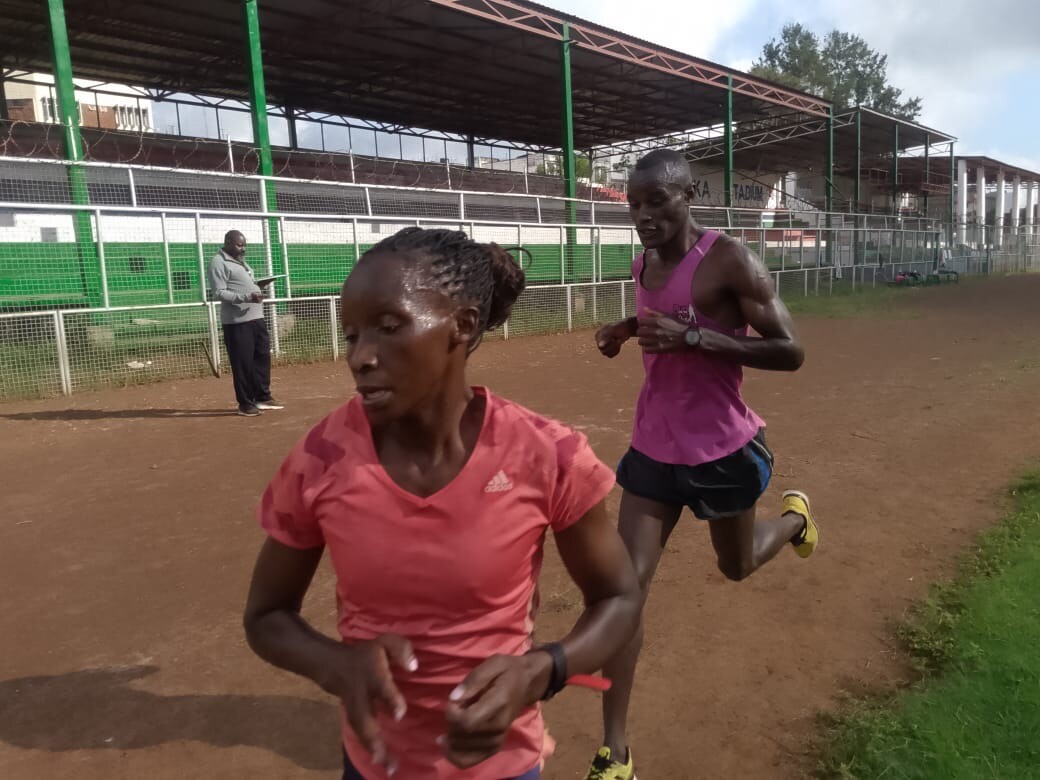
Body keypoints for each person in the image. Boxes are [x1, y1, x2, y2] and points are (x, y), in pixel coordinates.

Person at [243, 227, 641, 780]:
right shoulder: (321, 458)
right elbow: (266, 614)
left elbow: (619, 597)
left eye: (388, 327)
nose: (360, 357)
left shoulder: (547, 453)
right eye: (351, 335)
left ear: (464, 324)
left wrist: (541, 670)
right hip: (374, 766)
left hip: (503, 766)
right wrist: (335, 664)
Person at [583, 150, 820, 780]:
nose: (643, 215)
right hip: (653, 448)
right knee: (626, 592)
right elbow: (665, 317)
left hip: (721, 451)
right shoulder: (642, 262)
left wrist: (693, 339)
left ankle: (795, 521)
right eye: (634, 204)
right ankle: (615, 751)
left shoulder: (730, 260)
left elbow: (790, 350)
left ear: (689, 195)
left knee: (736, 566)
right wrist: (627, 328)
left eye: (657, 201)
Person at [207, 230, 283, 416]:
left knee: (261, 358)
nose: (243, 249)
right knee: (243, 364)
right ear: (228, 242)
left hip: (256, 318)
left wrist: (258, 286)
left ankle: (262, 397)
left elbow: (242, 284)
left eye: (244, 245)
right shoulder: (218, 262)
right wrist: (247, 296)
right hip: (238, 323)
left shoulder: (240, 262)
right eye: (240, 245)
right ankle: (245, 404)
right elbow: (219, 293)